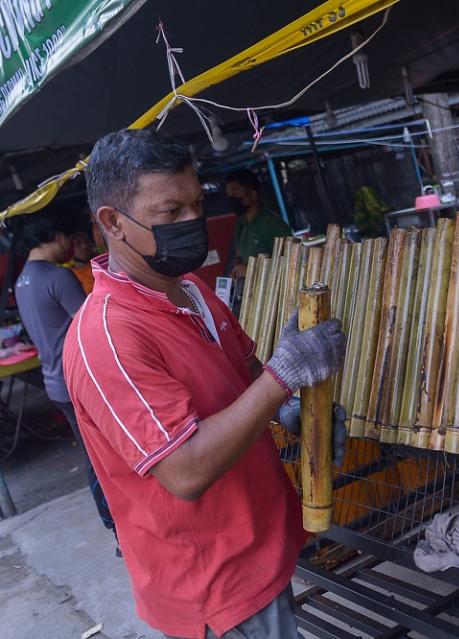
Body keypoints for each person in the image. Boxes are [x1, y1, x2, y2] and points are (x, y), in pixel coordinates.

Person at [63, 129, 346, 639]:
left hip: (260, 545)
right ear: (112, 223)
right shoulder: (106, 336)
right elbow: (185, 470)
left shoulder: (189, 288)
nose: (193, 222)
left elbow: (245, 378)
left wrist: (289, 409)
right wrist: (285, 378)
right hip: (216, 582)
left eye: (197, 203)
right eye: (170, 213)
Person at [13, 205, 116, 541]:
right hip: (78, 381)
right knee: (105, 455)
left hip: (54, 382)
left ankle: (112, 523)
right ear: (57, 237)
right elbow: (92, 327)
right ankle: (117, 524)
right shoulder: (58, 277)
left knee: (92, 453)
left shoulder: (22, 282)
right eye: (70, 240)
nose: (73, 247)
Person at [225, 168, 291, 278]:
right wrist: (237, 266)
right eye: (229, 194)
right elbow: (239, 255)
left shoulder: (272, 224)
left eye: (235, 193)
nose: (231, 198)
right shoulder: (241, 223)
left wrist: (249, 271)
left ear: (252, 194)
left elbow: (291, 262)